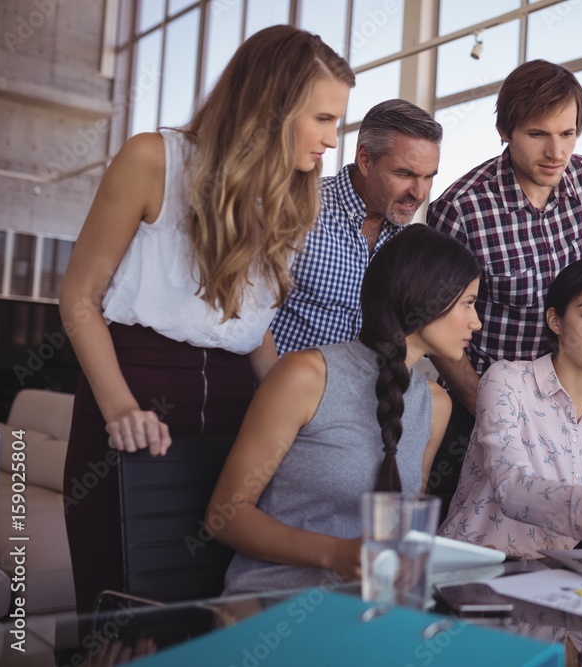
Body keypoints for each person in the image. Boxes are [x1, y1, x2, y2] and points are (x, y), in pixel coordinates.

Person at [59, 25, 355, 612]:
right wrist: (119, 407)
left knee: (213, 614)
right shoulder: (152, 158)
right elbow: (79, 297)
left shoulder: (297, 193)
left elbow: (250, 324)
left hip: (232, 410)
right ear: (272, 107)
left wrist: (289, 412)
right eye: (323, 119)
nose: (331, 139)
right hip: (135, 395)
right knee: (122, 618)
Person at [211, 225, 481, 593]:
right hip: (272, 601)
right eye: (467, 303)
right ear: (424, 296)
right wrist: (337, 554)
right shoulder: (304, 376)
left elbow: (403, 530)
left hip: (376, 609)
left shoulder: (435, 405)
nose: (475, 321)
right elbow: (225, 516)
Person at [426, 59, 582, 513]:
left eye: (567, 134)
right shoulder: (461, 210)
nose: (556, 152)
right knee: (474, 539)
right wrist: (486, 406)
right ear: (505, 130)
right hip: (482, 406)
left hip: (566, 406)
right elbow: (438, 331)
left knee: (564, 536)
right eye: (538, 134)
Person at [439, 258, 582, 559]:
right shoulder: (507, 380)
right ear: (555, 320)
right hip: (467, 570)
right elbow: (511, 486)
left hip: (553, 582)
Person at [271, 99, 443, 354]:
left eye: (428, 176)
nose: (419, 193)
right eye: (405, 174)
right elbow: (245, 316)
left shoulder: (408, 243)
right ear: (364, 159)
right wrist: (278, 390)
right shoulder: (297, 209)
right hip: (279, 387)